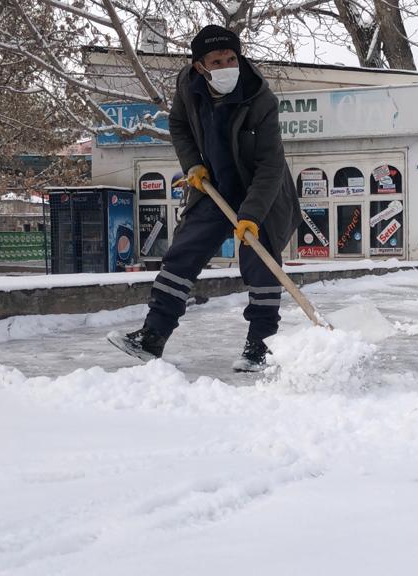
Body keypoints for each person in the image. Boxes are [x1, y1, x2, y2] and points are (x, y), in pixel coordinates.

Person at [109, 25, 300, 370]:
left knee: (261, 267)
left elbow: (271, 165)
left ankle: (259, 347)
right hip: (214, 186)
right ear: (199, 66)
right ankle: (153, 337)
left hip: (262, 191)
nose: (227, 65)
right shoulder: (188, 85)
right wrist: (193, 164)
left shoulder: (261, 99)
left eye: (232, 58)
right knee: (182, 255)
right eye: (217, 61)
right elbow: (178, 125)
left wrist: (252, 216)